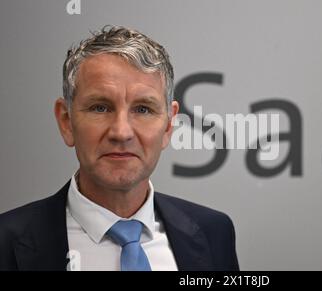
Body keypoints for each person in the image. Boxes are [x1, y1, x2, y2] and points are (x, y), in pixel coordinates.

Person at [0, 25, 239, 271]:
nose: (121, 132)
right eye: (100, 108)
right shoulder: (6, 242)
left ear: (168, 125)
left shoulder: (214, 232)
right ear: (66, 121)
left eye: (143, 109)